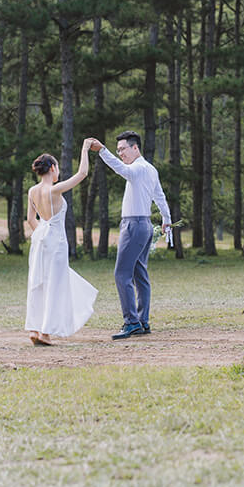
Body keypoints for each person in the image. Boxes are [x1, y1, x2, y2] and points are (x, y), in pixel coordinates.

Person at [92, 130, 171, 340]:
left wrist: (102, 151)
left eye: (122, 149)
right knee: (139, 274)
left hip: (134, 226)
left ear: (135, 147)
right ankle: (142, 321)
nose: (120, 154)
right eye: (117, 150)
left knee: (122, 274)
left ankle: (132, 322)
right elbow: (160, 196)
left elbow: (121, 169)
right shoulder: (150, 169)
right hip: (144, 224)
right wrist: (166, 218)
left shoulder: (137, 168)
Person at [24, 139, 99, 346]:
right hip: (55, 242)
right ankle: (45, 332)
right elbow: (82, 174)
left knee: (38, 283)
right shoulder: (54, 190)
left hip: (40, 240)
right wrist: (85, 148)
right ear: (53, 168)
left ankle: (34, 328)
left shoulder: (32, 191)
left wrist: (42, 234)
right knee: (54, 284)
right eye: (57, 168)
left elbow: (30, 219)